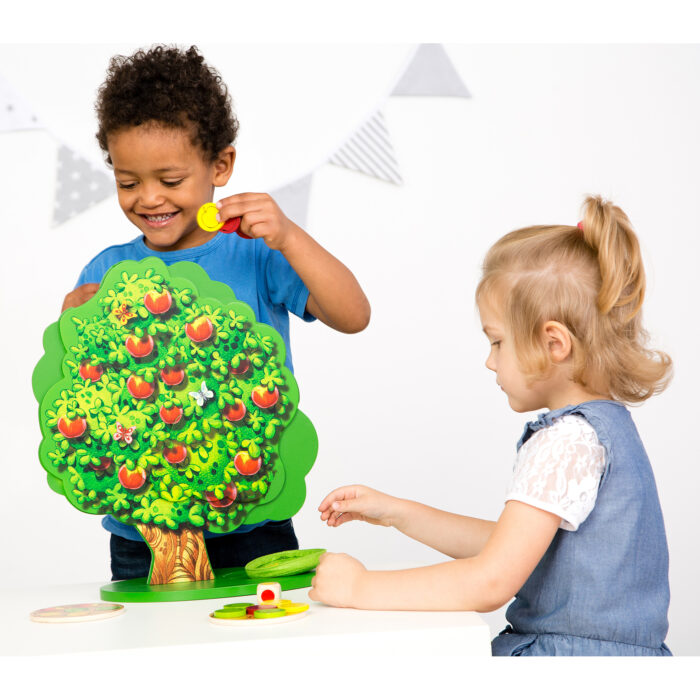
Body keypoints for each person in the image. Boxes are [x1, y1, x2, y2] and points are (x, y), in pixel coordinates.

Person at [310, 195, 673, 656]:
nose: (489, 360)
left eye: (498, 341)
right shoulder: (602, 430)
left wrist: (360, 588)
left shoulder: (567, 440)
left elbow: (492, 579)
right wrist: (398, 512)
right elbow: (516, 546)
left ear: (553, 343)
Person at [61, 45, 371, 581]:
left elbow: (353, 314)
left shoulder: (255, 253)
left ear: (220, 166)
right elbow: (81, 393)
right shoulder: (107, 269)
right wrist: (72, 322)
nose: (149, 198)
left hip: (255, 520)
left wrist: (289, 236)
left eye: (171, 180)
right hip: (142, 534)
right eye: (128, 182)